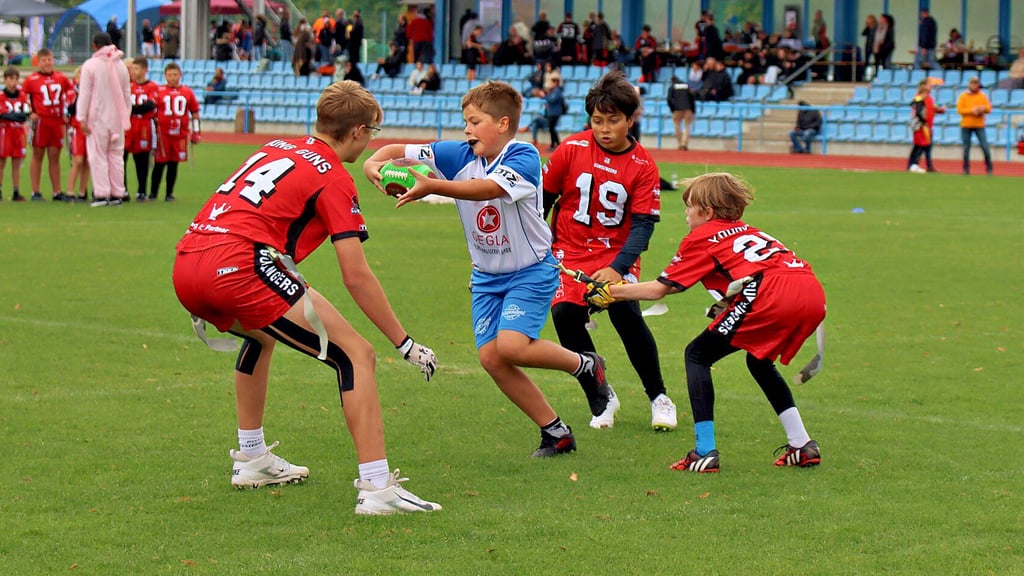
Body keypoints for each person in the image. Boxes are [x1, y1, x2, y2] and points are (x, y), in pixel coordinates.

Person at [172, 80, 440, 515]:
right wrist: (404, 342)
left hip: (188, 261)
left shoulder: (277, 146)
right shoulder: (333, 176)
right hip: (239, 266)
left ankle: (252, 457)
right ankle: (377, 488)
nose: (370, 140)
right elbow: (356, 275)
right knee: (356, 355)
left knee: (261, 335)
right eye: (371, 131)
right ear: (358, 132)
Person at [364, 81, 611, 458]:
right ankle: (556, 432)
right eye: (465, 121)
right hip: (485, 277)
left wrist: (433, 185)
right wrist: (373, 165)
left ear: (502, 124)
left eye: (475, 121)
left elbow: (489, 189)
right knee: (492, 358)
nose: (466, 129)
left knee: (511, 345)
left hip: (530, 271)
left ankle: (585, 365)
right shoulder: (457, 153)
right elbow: (396, 150)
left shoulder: (523, 156)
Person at [584, 172, 826, 473]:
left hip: (772, 293)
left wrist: (610, 292)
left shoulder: (703, 236)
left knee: (697, 354)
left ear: (708, 212)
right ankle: (802, 445)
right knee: (759, 361)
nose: (686, 212)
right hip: (812, 292)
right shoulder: (749, 231)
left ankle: (704, 451)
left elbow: (660, 289)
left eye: (690, 206)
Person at [542, 71, 676, 431]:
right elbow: (543, 201)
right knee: (565, 316)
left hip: (616, 254)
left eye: (613, 120)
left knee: (626, 313)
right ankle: (601, 395)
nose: (604, 128)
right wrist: (536, 248)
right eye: (597, 120)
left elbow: (643, 226)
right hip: (569, 251)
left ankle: (659, 397)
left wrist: (618, 267)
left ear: (630, 120)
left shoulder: (643, 165)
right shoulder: (571, 148)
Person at [76, 33, 131, 207]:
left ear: (94, 45)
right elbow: (127, 94)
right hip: (117, 117)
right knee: (116, 156)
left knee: (98, 155)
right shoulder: (121, 65)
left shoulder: (90, 65)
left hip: (97, 117)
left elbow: (85, 94)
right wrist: (125, 116)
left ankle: (101, 194)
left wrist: (81, 117)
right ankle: (117, 193)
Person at [22, 48, 74, 201]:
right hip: (41, 121)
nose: (47, 63)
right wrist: (30, 112)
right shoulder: (31, 79)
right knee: (38, 154)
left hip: (57, 121)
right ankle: (35, 191)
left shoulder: (61, 77)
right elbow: (22, 96)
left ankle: (57, 191)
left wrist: (67, 113)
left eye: (49, 59)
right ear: (38, 62)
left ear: (53, 60)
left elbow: (70, 94)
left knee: (54, 155)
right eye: (44, 60)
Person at [151, 62, 200, 201]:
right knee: (159, 164)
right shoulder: (159, 91)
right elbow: (152, 111)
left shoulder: (187, 92)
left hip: (180, 135)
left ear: (180, 75)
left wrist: (196, 132)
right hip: (162, 135)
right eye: (170, 75)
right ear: (165, 76)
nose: (172, 78)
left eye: (175, 75)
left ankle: (169, 194)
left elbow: (195, 112)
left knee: (173, 164)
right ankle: (153, 193)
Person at [126, 57, 159, 202]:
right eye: (132, 68)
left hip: (144, 126)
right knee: (122, 158)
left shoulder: (152, 86)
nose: (133, 71)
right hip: (128, 126)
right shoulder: (128, 85)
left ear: (145, 70)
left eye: (136, 68)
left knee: (142, 160)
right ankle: (122, 190)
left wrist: (131, 109)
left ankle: (141, 191)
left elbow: (150, 105)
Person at [0, 66, 30, 202]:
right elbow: (3, 114)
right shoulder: (1, 96)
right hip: (5, 131)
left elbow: (25, 114)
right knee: (2, 161)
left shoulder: (22, 95)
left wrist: (13, 116)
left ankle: (16, 191)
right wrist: (15, 116)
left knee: (16, 162)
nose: (13, 82)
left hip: (18, 132)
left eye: (16, 79)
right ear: (5, 80)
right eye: (11, 79)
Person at [956, 76, 993, 175]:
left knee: (985, 146)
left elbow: (989, 108)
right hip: (966, 125)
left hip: (979, 125)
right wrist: (972, 110)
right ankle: (966, 169)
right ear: (969, 84)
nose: (974, 85)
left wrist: (983, 109)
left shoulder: (982, 96)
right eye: (973, 83)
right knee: (966, 148)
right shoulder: (963, 96)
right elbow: (960, 110)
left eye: (976, 83)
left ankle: (989, 168)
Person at [518, 75, 566, 150]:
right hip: (553, 113)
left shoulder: (557, 91)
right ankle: (555, 144)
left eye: (553, 82)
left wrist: (543, 96)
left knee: (552, 128)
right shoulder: (555, 91)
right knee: (551, 128)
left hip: (554, 113)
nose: (552, 84)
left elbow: (552, 99)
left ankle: (555, 144)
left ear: (556, 82)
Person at [64, 67, 90, 202]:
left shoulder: (93, 92)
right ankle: (69, 191)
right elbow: (70, 109)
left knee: (87, 161)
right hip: (77, 129)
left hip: (90, 129)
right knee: (78, 160)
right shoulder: (72, 92)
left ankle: (82, 192)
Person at [907, 80, 944, 173]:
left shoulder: (929, 98)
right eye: (929, 85)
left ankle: (920, 165)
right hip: (922, 126)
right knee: (921, 145)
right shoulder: (919, 98)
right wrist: (924, 122)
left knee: (924, 146)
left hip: (928, 126)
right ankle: (914, 164)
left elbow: (932, 108)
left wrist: (939, 110)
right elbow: (919, 111)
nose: (931, 87)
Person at [667, 75, 696, 150]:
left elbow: (669, 99)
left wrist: (672, 109)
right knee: (687, 126)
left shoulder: (672, 87)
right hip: (688, 108)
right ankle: (684, 143)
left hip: (677, 109)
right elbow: (692, 97)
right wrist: (693, 109)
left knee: (677, 126)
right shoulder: (686, 86)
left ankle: (680, 143)